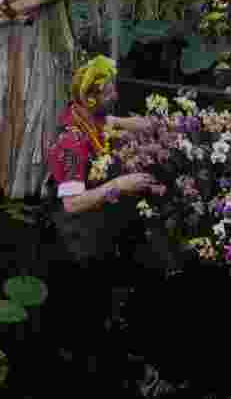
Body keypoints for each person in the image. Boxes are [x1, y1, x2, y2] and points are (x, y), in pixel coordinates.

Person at [42, 55, 170, 392]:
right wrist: (121, 185)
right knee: (92, 314)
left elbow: (120, 122)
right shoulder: (71, 141)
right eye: (110, 90)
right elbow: (70, 203)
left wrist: (157, 125)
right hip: (77, 241)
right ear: (92, 97)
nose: (115, 93)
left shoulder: (92, 118)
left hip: (100, 230)